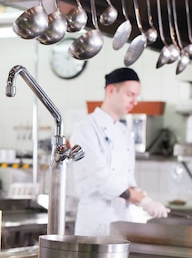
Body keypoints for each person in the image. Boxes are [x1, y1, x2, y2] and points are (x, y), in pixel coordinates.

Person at [69, 67, 169, 237]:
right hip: (94, 223)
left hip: (122, 221)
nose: (134, 101)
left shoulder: (124, 132)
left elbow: (127, 177)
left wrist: (142, 195)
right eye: (130, 94)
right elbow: (100, 177)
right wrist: (140, 200)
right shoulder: (85, 129)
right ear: (111, 90)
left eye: (136, 96)